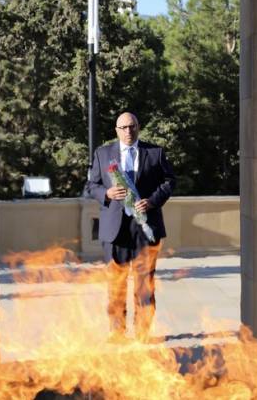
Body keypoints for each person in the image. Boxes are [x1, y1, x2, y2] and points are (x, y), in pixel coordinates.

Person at [85, 112, 175, 342]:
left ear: (138, 127)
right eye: (123, 127)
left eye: (132, 126)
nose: (128, 131)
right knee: (116, 283)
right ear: (116, 130)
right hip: (115, 229)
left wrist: (152, 201)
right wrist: (106, 193)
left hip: (145, 227)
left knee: (145, 283)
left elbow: (169, 182)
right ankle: (117, 333)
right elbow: (91, 186)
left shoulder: (155, 153)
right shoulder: (103, 154)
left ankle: (143, 333)